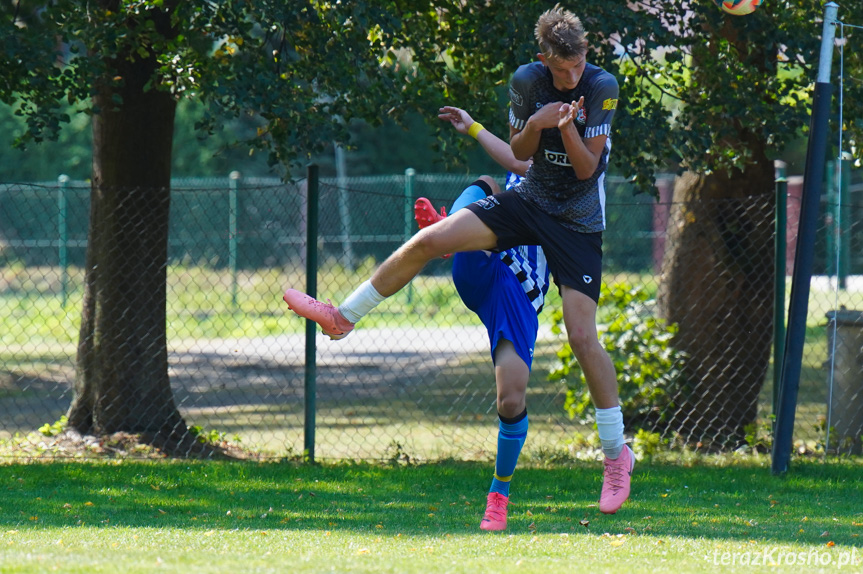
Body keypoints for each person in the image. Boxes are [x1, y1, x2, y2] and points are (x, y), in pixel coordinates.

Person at [283, 5, 634, 516]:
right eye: (562, 70)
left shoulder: (602, 87)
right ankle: (343, 317)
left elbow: (584, 172)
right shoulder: (527, 81)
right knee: (433, 241)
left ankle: (615, 455)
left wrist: (568, 128)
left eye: (578, 65)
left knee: (582, 336)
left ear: (586, 55)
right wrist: (538, 122)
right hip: (528, 203)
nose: (571, 76)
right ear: (544, 60)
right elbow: (518, 152)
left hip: (577, 225)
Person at [414, 105, 548, 531]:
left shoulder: (572, 191)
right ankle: (449, 229)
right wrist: (471, 126)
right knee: (487, 184)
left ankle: (499, 494)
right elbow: (502, 164)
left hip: (519, 294)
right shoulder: (517, 172)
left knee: (510, 398)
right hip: (483, 262)